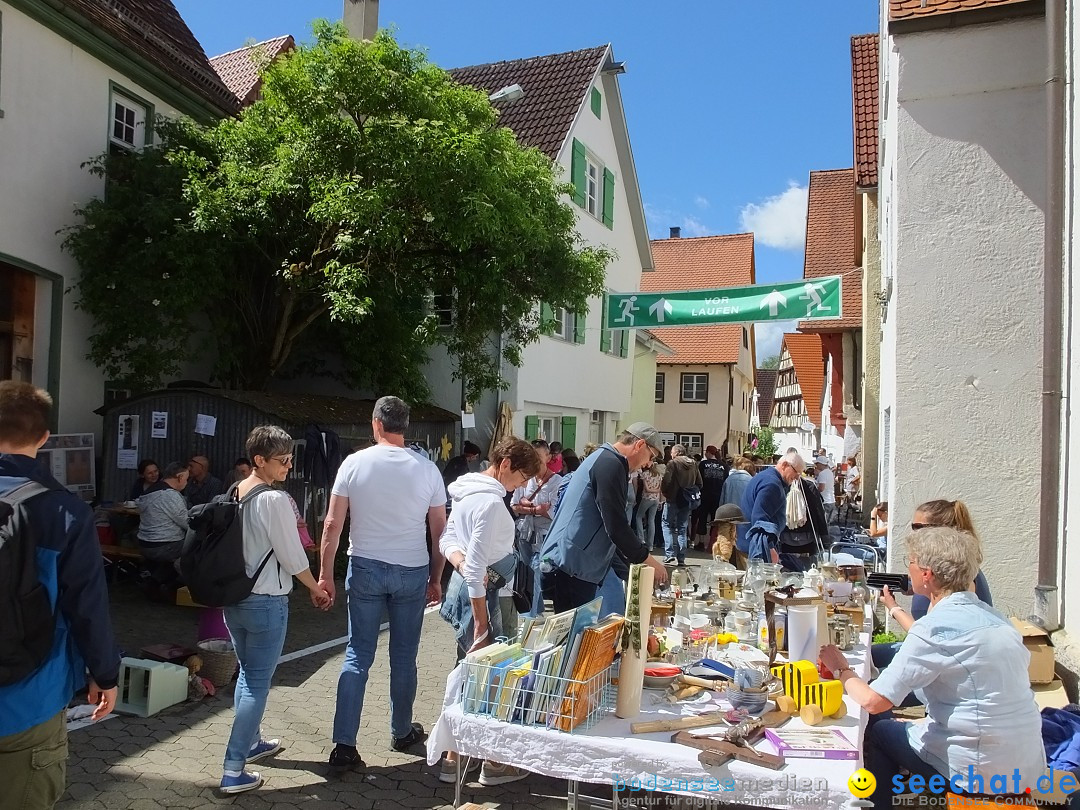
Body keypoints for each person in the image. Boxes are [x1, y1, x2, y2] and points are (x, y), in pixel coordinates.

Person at [820, 527, 1045, 810]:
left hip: (979, 769)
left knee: (880, 732)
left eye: (910, 562)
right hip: (1027, 761)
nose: (908, 569)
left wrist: (841, 668)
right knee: (904, 727)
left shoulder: (935, 627)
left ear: (926, 574)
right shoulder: (995, 618)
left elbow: (873, 701)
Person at [0, 381, 120, 810]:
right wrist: (105, 674)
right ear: (45, 438)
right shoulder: (65, 511)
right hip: (27, 700)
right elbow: (87, 606)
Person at [319, 397, 448, 768]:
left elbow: (332, 524)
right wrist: (436, 578)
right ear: (405, 426)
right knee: (404, 657)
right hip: (411, 570)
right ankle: (402, 730)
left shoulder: (353, 464)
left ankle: (344, 745)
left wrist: (326, 575)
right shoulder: (427, 470)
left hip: (365, 567)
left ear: (376, 424)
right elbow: (438, 531)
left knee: (358, 655)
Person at [218, 426, 332, 794]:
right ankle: (233, 768)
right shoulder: (275, 500)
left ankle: (251, 743)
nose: (288, 465)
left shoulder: (236, 491)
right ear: (259, 460)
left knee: (247, 675)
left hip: (234, 598)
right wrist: (315, 587)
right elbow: (292, 554)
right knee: (255, 682)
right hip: (266, 600)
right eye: (281, 460)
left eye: (290, 458)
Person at [539, 423, 668, 612]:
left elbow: (610, 527)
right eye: (651, 456)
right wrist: (649, 560)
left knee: (578, 636)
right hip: (572, 565)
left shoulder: (606, 459)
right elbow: (615, 526)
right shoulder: (611, 463)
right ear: (639, 445)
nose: (649, 464)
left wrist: (630, 566)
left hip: (573, 564)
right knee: (575, 637)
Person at [510, 439, 562, 617]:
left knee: (540, 575)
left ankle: (536, 618)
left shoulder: (557, 482)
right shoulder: (526, 478)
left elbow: (553, 512)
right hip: (524, 536)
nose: (536, 461)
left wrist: (527, 506)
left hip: (544, 539)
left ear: (548, 457)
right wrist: (536, 509)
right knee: (525, 577)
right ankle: (527, 615)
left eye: (539, 457)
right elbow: (514, 505)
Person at [735, 450, 805, 566]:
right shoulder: (772, 484)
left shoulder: (768, 477)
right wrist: (770, 548)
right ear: (785, 465)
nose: (797, 478)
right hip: (756, 549)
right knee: (756, 583)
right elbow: (760, 520)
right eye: (796, 472)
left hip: (750, 544)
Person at [136, 461, 191, 577]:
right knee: (202, 546)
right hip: (164, 546)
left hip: (144, 544)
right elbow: (187, 523)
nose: (187, 482)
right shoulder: (169, 495)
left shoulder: (150, 491)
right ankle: (189, 585)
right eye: (187, 479)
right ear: (180, 477)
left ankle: (161, 579)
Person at [777, 472, 828, 572]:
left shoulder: (781, 486)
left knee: (787, 566)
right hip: (808, 535)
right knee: (809, 568)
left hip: (785, 535)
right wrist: (824, 536)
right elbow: (819, 511)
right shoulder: (809, 487)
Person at [660, 444, 702, 565]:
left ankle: (669, 554)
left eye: (672, 452)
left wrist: (666, 492)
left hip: (672, 498)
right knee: (682, 528)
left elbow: (667, 480)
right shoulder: (693, 463)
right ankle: (681, 557)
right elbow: (700, 482)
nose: (671, 454)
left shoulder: (672, 463)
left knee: (666, 524)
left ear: (677, 453)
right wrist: (690, 491)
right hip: (686, 499)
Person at [692, 445, 726, 550]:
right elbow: (725, 481)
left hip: (704, 495)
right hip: (718, 495)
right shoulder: (724, 465)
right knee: (715, 519)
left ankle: (701, 542)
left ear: (709, 453)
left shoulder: (703, 464)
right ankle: (713, 542)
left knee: (702, 518)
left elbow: (697, 479)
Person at [632, 459, 663, 549]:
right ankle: (651, 545)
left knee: (638, 516)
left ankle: (641, 539)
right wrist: (660, 499)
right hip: (656, 499)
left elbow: (647, 489)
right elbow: (660, 489)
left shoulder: (645, 474)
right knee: (651, 520)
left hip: (646, 498)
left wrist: (652, 491)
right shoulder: (659, 475)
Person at [814, 455, 837, 524]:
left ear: (821, 464)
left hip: (825, 501)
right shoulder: (830, 473)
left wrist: (814, 490)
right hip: (831, 500)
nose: (816, 466)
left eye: (817, 464)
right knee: (828, 524)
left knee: (822, 523)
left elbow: (821, 488)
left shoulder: (822, 474)